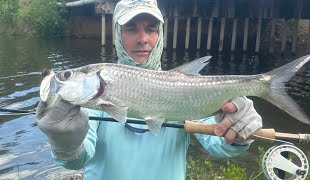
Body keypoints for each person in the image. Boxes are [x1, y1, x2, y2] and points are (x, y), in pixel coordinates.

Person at [36, 0, 263, 179]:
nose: (142, 39)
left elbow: (219, 146)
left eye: (151, 29)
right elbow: (77, 160)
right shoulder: (93, 99)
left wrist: (240, 132)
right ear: (117, 34)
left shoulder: (186, 86)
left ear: (160, 35)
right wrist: (64, 144)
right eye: (131, 29)